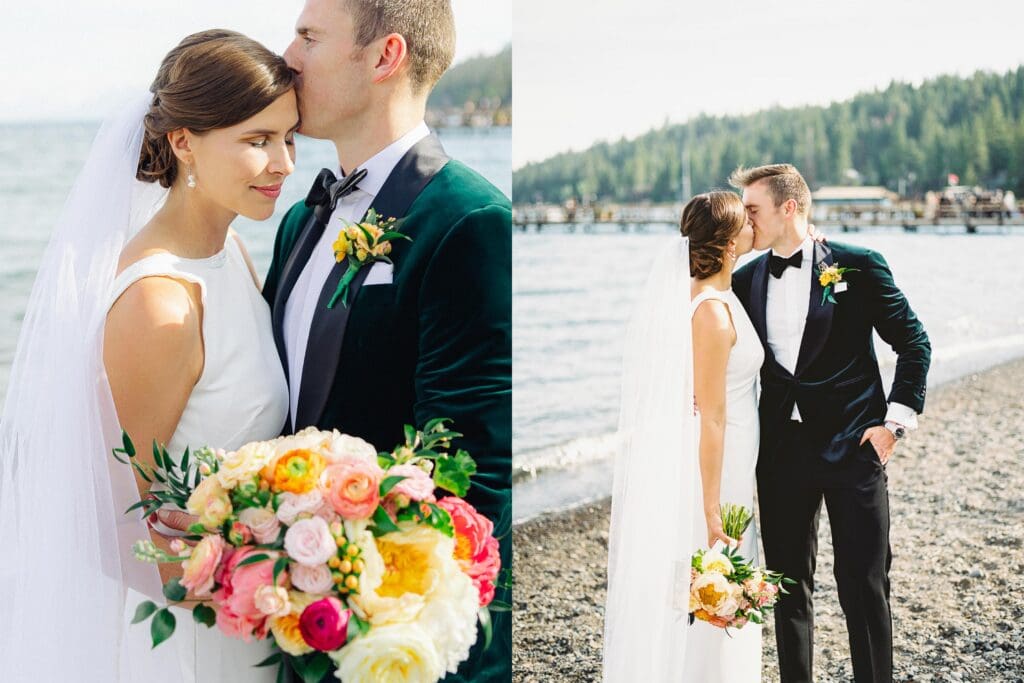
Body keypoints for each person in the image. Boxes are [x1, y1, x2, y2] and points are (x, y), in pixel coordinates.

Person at [0, 30, 297, 682]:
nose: (284, 164)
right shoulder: (160, 305)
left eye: (288, 137)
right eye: (257, 140)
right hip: (197, 642)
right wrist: (270, 583)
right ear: (183, 141)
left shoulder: (233, 256)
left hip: (254, 623)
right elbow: (112, 531)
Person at [263, 1, 512, 680]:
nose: (286, 54)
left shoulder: (470, 220)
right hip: (298, 619)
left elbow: (474, 474)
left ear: (385, 56)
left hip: (403, 633)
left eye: (310, 36)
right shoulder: (298, 221)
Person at [731, 163, 930, 682]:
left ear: (788, 207)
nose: (745, 221)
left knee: (862, 587)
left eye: (753, 210)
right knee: (787, 588)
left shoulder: (858, 266)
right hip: (779, 455)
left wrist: (894, 424)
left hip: (854, 448)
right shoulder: (743, 279)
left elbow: (914, 344)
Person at [604, 191, 763, 681]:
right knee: (715, 594)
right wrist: (712, 509)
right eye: (746, 221)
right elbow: (711, 417)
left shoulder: (719, 297)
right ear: (730, 242)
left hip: (730, 458)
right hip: (721, 467)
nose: (755, 224)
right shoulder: (711, 313)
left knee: (719, 599)